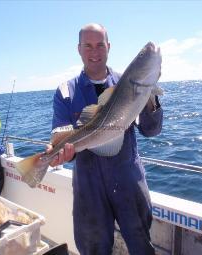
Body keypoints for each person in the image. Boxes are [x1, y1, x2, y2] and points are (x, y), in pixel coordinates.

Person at [48, 23, 163, 255]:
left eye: (100, 44)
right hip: (88, 187)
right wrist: (57, 153)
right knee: (93, 250)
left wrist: (150, 94)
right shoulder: (65, 91)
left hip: (129, 180)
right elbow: (60, 137)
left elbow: (151, 130)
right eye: (88, 46)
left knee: (142, 245)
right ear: (78, 49)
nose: (94, 51)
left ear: (108, 47)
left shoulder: (127, 82)